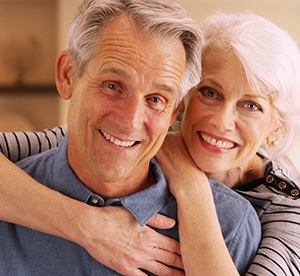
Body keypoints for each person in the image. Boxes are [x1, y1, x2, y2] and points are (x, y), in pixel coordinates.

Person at [0, 1, 261, 275]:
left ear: (174, 112)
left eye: (156, 99)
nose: (130, 122)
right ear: (68, 76)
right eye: (112, 86)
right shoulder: (8, 212)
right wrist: (87, 225)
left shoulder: (230, 227)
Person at [156, 11, 300, 275]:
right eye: (210, 93)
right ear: (187, 93)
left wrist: (191, 186)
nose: (221, 122)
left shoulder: (290, 211)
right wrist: (91, 227)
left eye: (251, 105)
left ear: (275, 128)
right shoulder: (146, 135)